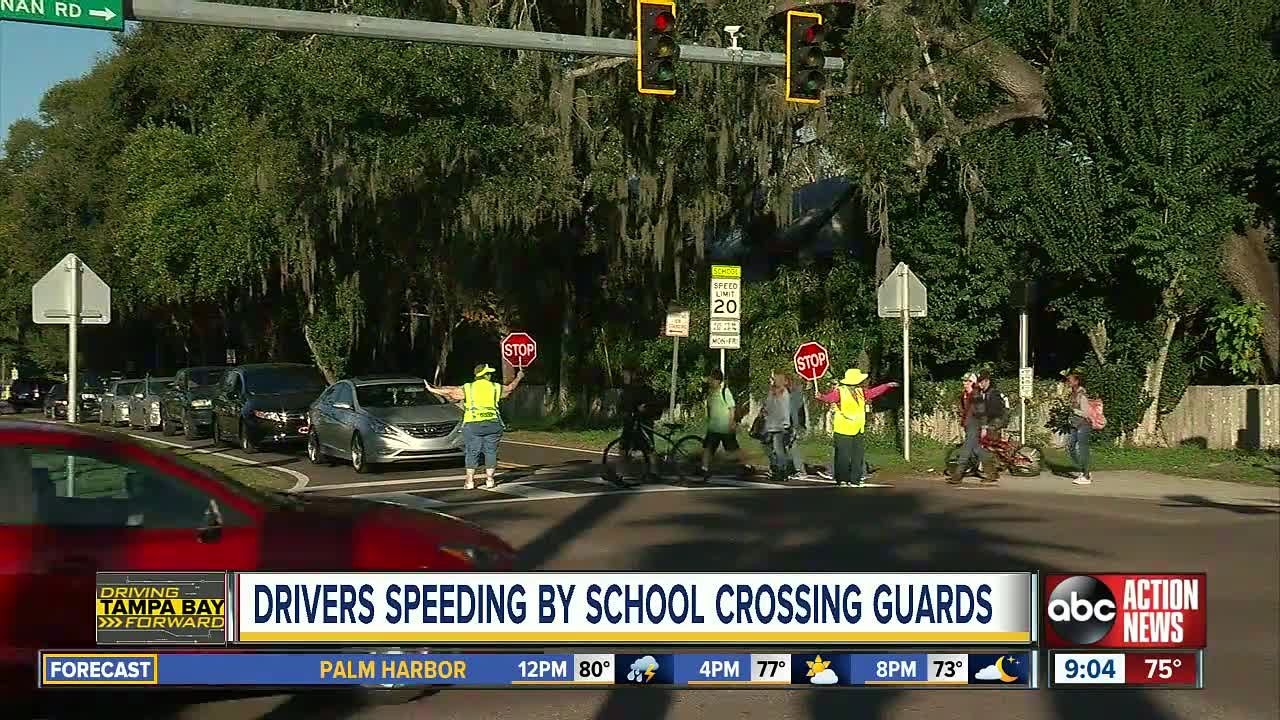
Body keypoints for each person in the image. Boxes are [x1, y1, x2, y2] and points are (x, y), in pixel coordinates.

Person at [427, 364, 523, 490]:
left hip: (473, 424)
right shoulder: (495, 387)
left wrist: (434, 389)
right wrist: (519, 377)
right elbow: (509, 389)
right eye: (489, 373)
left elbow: (451, 391)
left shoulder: (469, 388)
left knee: (472, 452)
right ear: (485, 375)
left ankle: (470, 481)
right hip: (493, 423)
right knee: (491, 452)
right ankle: (490, 479)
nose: (490, 375)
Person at [814, 369, 898, 487]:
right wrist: (821, 396)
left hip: (858, 429)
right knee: (843, 456)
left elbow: (873, 393)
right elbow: (830, 398)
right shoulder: (840, 391)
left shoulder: (859, 392)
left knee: (857, 456)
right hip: (843, 429)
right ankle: (842, 479)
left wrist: (886, 386)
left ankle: (855, 479)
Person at [948, 371, 1005, 486]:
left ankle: (957, 475)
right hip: (969, 424)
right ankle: (992, 473)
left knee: (966, 450)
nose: (965, 383)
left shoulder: (975, 395)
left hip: (975, 424)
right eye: (964, 381)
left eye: (968, 381)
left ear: (973, 383)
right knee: (977, 449)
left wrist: (983, 427)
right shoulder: (966, 394)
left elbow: (981, 412)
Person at [700, 368, 748, 477]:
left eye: (713, 379)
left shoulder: (725, 391)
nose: (711, 381)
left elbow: (732, 408)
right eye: (711, 379)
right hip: (713, 427)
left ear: (718, 380)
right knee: (707, 449)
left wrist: (731, 423)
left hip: (725, 427)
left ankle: (746, 465)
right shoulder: (710, 393)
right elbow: (709, 408)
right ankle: (704, 469)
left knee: (733, 449)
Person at [617, 367, 657, 476]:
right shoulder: (627, 390)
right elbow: (623, 406)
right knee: (623, 447)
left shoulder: (645, 390)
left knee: (648, 447)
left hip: (643, 422)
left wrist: (644, 408)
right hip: (630, 422)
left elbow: (652, 405)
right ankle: (621, 472)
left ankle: (653, 471)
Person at [760, 371, 792, 481]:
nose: (774, 381)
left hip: (780, 425)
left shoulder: (784, 393)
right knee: (766, 447)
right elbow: (768, 406)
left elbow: (785, 409)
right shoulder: (772, 392)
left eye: (776, 379)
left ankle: (782, 471)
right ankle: (775, 467)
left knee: (778, 449)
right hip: (770, 424)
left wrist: (786, 423)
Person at [1065, 373, 1092, 485]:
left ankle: (1085, 476)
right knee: (1071, 447)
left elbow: (1086, 413)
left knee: (1082, 450)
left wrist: (1073, 411)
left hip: (1083, 425)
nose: (1068, 382)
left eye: (1070, 380)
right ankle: (1084, 470)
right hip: (1075, 424)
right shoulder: (1073, 394)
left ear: (1076, 382)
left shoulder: (1082, 395)